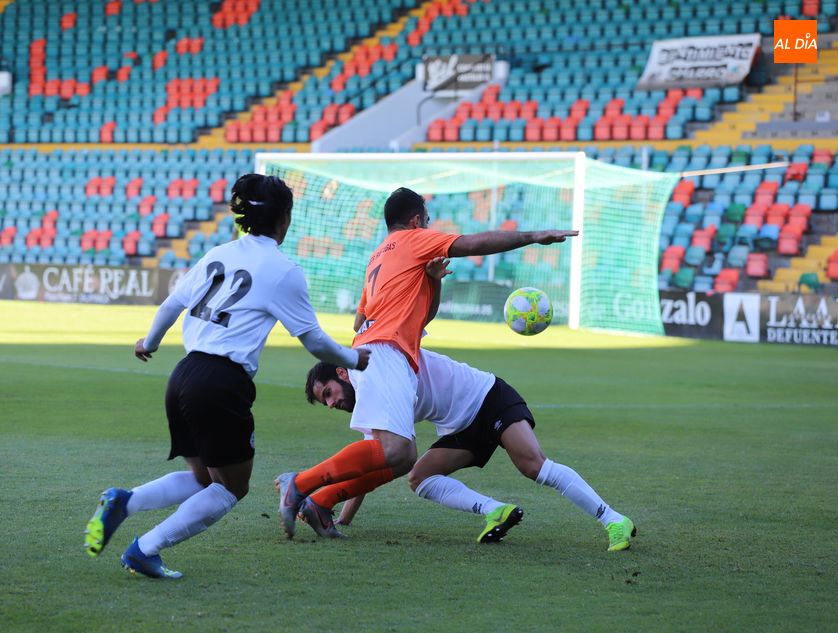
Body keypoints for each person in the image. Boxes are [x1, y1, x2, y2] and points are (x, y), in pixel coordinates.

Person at [83, 174, 370, 579]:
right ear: (284, 219)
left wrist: (148, 342)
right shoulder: (283, 270)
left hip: (183, 375)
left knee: (205, 479)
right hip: (220, 383)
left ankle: (124, 502)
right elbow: (317, 343)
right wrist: (356, 359)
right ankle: (145, 549)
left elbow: (171, 304)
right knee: (231, 487)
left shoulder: (218, 253)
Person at [276, 186, 577, 539]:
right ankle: (301, 484)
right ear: (417, 220)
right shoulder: (414, 240)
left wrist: (431, 284)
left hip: (387, 351)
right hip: (386, 352)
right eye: (427, 222)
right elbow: (475, 244)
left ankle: (320, 500)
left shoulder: (378, 257)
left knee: (403, 459)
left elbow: (367, 322)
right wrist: (533, 236)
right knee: (398, 450)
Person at [301, 347, 636, 552]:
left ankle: (614, 520)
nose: (331, 404)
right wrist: (344, 517)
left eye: (328, 393)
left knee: (534, 466)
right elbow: (373, 458)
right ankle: (495, 511)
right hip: (461, 426)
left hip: (488, 397)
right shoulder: (370, 400)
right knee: (420, 478)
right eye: (324, 401)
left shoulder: (377, 371)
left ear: (342, 372)